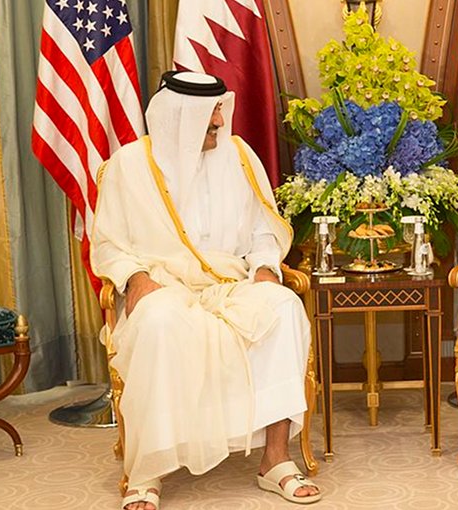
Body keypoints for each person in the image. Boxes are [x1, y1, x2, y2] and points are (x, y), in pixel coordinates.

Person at [91, 71, 321, 509]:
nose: (220, 122)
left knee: (284, 307)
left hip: (230, 284)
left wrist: (267, 268)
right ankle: (148, 471)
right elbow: (107, 242)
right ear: (179, 119)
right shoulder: (130, 165)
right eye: (211, 116)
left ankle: (275, 460)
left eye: (220, 111)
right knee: (158, 322)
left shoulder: (238, 156)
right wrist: (134, 276)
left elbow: (262, 231)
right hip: (162, 284)